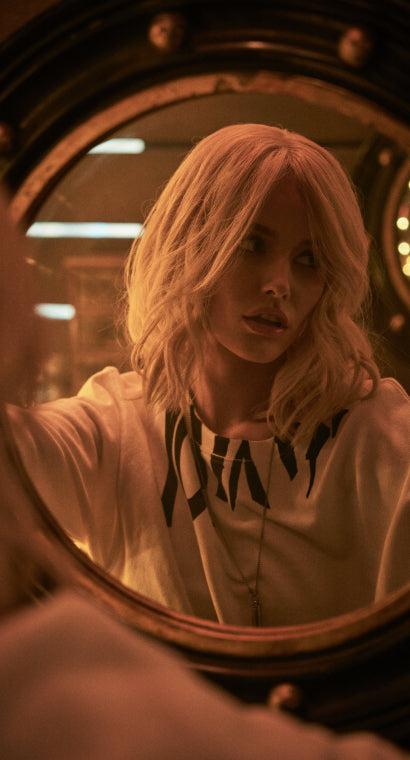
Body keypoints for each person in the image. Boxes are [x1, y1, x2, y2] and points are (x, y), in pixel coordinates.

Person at [6, 123, 410, 627]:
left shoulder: (378, 436)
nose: (279, 284)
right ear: (190, 246)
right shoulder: (118, 427)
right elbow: (17, 457)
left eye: (309, 260)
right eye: (251, 244)